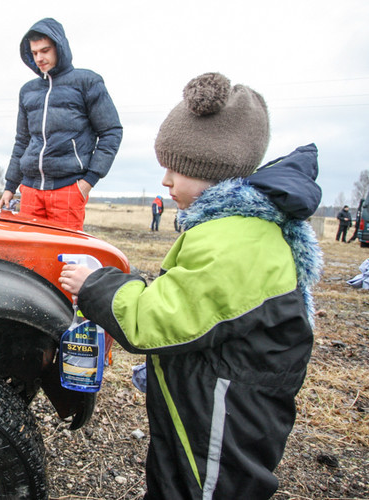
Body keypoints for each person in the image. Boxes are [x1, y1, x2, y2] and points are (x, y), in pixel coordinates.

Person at [59, 73, 323, 499]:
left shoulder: (236, 241)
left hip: (221, 426)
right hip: (204, 409)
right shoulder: (234, 231)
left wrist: (97, 284)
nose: (165, 180)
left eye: (176, 168)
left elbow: (157, 319)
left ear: (211, 172)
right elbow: (195, 309)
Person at [0, 18, 123, 231]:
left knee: (64, 257)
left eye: (45, 50)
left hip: (68, 189)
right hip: (29, 190)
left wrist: (87, 182)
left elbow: (111, 132)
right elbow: (22, 141)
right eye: (34, 52)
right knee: (28, 254)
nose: (39, 58)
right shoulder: (28, 91)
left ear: (59, 47)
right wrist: (10, 186)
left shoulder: (87, 82)